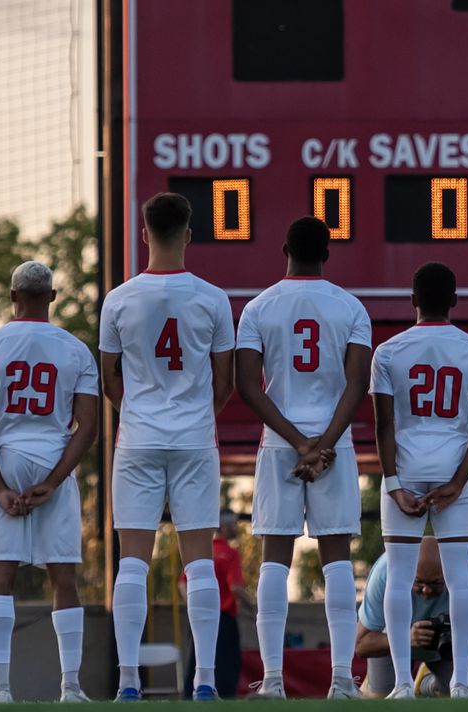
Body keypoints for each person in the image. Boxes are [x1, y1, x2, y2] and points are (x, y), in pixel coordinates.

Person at [99, 192, 236, 701]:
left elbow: (109, 376)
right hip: (194, 438)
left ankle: (129, 680)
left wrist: (135, 410)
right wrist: (198, 414)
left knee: (132, 561)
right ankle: (203, 681)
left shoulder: (119, 298)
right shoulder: (212, 297)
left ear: (143, 234)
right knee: (199, 561)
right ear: (189, 234)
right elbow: (225, 380)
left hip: (137, 438)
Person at [235, 216, 371, 700]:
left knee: (275, 559)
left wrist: (297, 443)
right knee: (337, 559)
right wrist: (324, 443)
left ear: (283, 248)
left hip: (280, 442)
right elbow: (357, 385)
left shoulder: (258, 307)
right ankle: (340, 679)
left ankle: (273, 680)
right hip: (334, 443)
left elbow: (248, 386)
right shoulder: (351, 306)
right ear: (327, 253)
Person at [0, 260, 100, 703]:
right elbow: (88, 426)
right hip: (53, 454)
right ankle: (71, 686)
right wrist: (57, 480)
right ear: (53, 298)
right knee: (63, 575)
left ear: (12, 296)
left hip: (7, 454)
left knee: (0, 574)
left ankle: (0, 686)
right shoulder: (77, 350)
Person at [371, 262, 468, 699]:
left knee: (399, 577)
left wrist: (391, 482)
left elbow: (383, 424)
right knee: (460, 578)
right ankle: (460, 680)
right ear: (455, 300)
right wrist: (461, 481)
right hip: (452, 469)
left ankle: (403, 682)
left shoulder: (388, 351)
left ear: (412, 301)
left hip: (405, 469)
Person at [356, 537, 468, 696]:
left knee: (466, 702)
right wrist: (406, 638)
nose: (426, 590)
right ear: (407, 572)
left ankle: (426, 683)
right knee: (381, 701)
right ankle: (375, 687)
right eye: (418, 583)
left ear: (450, 573)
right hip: (391, 646)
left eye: (436, 584)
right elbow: (361, 645)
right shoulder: (385, 573)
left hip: (450, 649)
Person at [182, 510, 252, 699]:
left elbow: (182, 582)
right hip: (224, 620)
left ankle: (191, 697)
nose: (237, 527)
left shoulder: (202, 552)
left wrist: (192, 606)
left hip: (198, 617)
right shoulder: (229, 553)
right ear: (225, 526)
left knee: (195, 662)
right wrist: (254, 607)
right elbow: (236, 587)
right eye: (235, 524)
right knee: (226, 669)